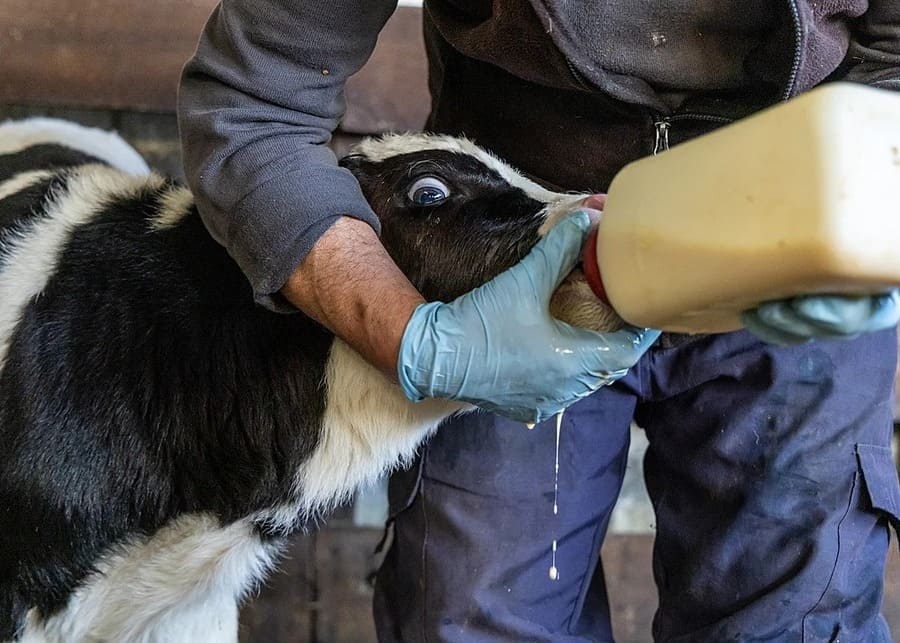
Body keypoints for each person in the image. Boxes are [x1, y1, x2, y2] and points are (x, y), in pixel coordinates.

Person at [178, 1, 900, 640]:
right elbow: (254, 104)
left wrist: (863, 218)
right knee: (472, 615)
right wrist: (413, 339)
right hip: (504, 255)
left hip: (789, 231)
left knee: (796, 622)